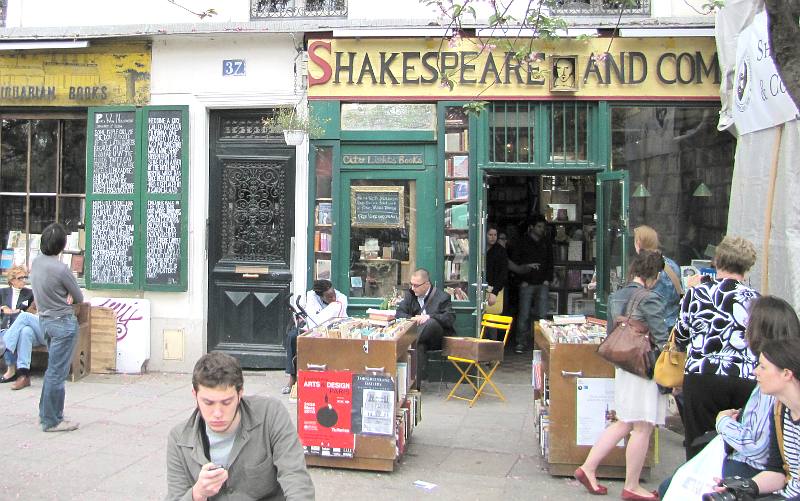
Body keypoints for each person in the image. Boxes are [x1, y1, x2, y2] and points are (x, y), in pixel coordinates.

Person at [657, 295, 800, 498]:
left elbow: (757, 448)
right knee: (680, 487)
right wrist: (745, 486)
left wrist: (722, 422)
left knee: (676, 489)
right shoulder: (780, 406)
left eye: (747, 325)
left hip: (752, 464)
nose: (754, 373)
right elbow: (776, 468)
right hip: (762, 473)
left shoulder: (776, 394)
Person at [574, 250, 669, 501]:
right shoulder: (651, 298)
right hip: (643, 367)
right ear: (655, 274)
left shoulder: (616, 296)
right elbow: (661, 337)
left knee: (625, 420)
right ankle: (632, 485)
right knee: (643, 426)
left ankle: (588, 467)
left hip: (623, 366)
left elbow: (610, 332)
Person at [166, 352, 314, 501]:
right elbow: (176, 496)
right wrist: (197, 493)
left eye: (226, 402)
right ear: (195, 395)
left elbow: (296, 479)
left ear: (240, 394)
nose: (217, 413)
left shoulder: (270, 415)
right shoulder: (179, 440)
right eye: (208, 403)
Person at [674, 235, 760, 460]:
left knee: (698, 444)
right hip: (745, 376)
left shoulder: (697, 293)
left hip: (703, 374)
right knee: (741, 445)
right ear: (747, 266)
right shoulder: (757, 301)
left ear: (717, 261)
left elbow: (681, 335)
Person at [710, 337, 800, 500]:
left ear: (786, 374)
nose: (755, 371)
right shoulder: (780, 410)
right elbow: (777, 472)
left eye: (763, 367)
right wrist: (744, 487)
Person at [30, 223, 84, 432]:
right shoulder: (61, 268)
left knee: (52, 369)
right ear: (61, 246)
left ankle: (47, 413)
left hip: (45, 320)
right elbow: (78, 296)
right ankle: (52, 419)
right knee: (57, 372)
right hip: (62, 321)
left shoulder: (36, 263)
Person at [284, 279, 347, 394]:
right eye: (329, 297)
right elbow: (313, 320)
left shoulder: (341, 298)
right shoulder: (312, 296)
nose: (333, 298)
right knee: (292, 337)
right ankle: (292, 378)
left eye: (333, 295)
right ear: (320, 296)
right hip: (313, 326)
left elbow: (338, 316)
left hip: (333, 327)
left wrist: (331, 307)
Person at [395, 268, 455, 388]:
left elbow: (449, 318)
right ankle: (413, 388)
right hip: (419, 338)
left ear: (427, 284)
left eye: (416, 285)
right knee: (418, 346)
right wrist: (413, 319)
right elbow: (399, 313)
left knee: (431, 323)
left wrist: (428, 317)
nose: (412, 288)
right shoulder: (410, 295)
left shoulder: (442, 297)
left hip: (436, 338)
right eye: (411, 284)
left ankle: (406, 343)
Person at [508, 215, 553, 354]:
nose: (542, 229)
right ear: (531, 227)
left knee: (542, 315)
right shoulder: (521, 242)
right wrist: (521, 280)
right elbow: (516, 262)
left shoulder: (546, 242)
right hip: (527, 283)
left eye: (543, 227)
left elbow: (550, 261)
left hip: (542, 282)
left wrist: (547, 278)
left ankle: (541, 343)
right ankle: (521, 342)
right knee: (524, 314)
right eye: (539, 226)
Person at [633, 225, 682, 331]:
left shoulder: (645, 266)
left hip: (651, 326)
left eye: (635, 241)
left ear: (639, 243)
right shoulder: (672, 265)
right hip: (671, 323)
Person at [485, 225, 508, 316]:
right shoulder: (479, 249)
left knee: (492, 322)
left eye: (495, 235)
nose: (493, 237)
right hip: (480, 289)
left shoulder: (501, 251)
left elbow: (503, 273)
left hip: (494, 289)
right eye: (490, 234)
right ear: (485, 235)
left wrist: (495, 292)